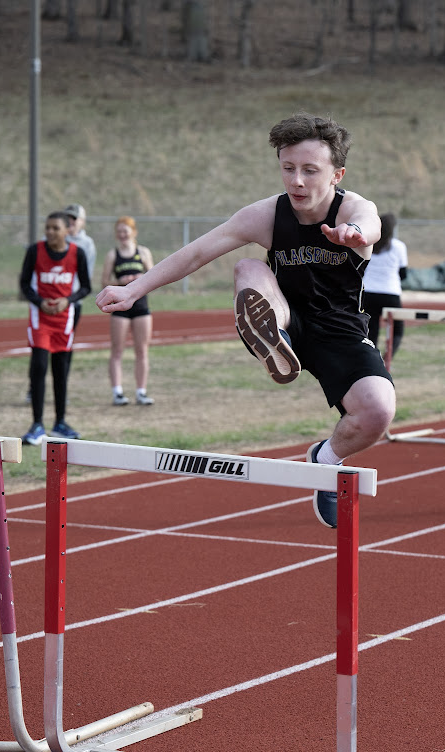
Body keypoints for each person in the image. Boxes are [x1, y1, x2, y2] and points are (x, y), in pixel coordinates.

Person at [96, 113, 396, 527]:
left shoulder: (353, 209)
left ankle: (325, 460)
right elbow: (197, 253)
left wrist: (356, 233)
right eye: (288, 168)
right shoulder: (267, 215)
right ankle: (271, 337)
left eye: (310, 171)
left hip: (340, 331)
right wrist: (134, 289)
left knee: (378, 411)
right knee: (247, 268)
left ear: (336, 174)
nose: (296, 181)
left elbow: (371, 222)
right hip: (285, 317)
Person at [19, 211, 91, 445]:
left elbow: (86, 287)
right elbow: (24, 284)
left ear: (67, 231)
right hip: (40, 318)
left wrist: (67, 300)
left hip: (64, 319)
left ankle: (60, 423)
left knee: (61, 371)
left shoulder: (77, 253)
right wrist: (40, 301)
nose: (50, 232)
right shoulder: (35, 251)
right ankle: (37, 425)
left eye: (55, 228)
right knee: (39, 367)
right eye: (47, 227)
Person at [25, 202, 96, 403]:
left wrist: (69, 298)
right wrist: (41, 300)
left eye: (74, 219)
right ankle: (34, 389)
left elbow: (86, 279)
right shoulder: (46, 241)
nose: (71, 222)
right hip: (44, 305)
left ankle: (61, 391)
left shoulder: (85, 245)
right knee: (39, 353)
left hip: (71, 305)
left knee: (63, 352)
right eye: (68, 218)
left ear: (81, 222)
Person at [101, 216, 155, 406]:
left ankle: (141, 392)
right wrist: (120, 282)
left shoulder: (143, 252)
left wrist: (141, 278)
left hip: (141, 306)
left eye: (126, 231)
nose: (122, 234)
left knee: (142, 350)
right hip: (120, 307)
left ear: (134, 232)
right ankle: (117, 392)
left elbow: (154, 276)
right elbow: (104, 282)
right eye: (119, 231)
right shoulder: (113, 255)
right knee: (117, 350)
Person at [362, 212, 408, 358]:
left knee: (371, 331)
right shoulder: (399, 247)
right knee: (397, 330)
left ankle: (372, 360)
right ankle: (387, 358)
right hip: (390, 293)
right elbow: (403, 274)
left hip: (368, 292)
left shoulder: (368, 243)